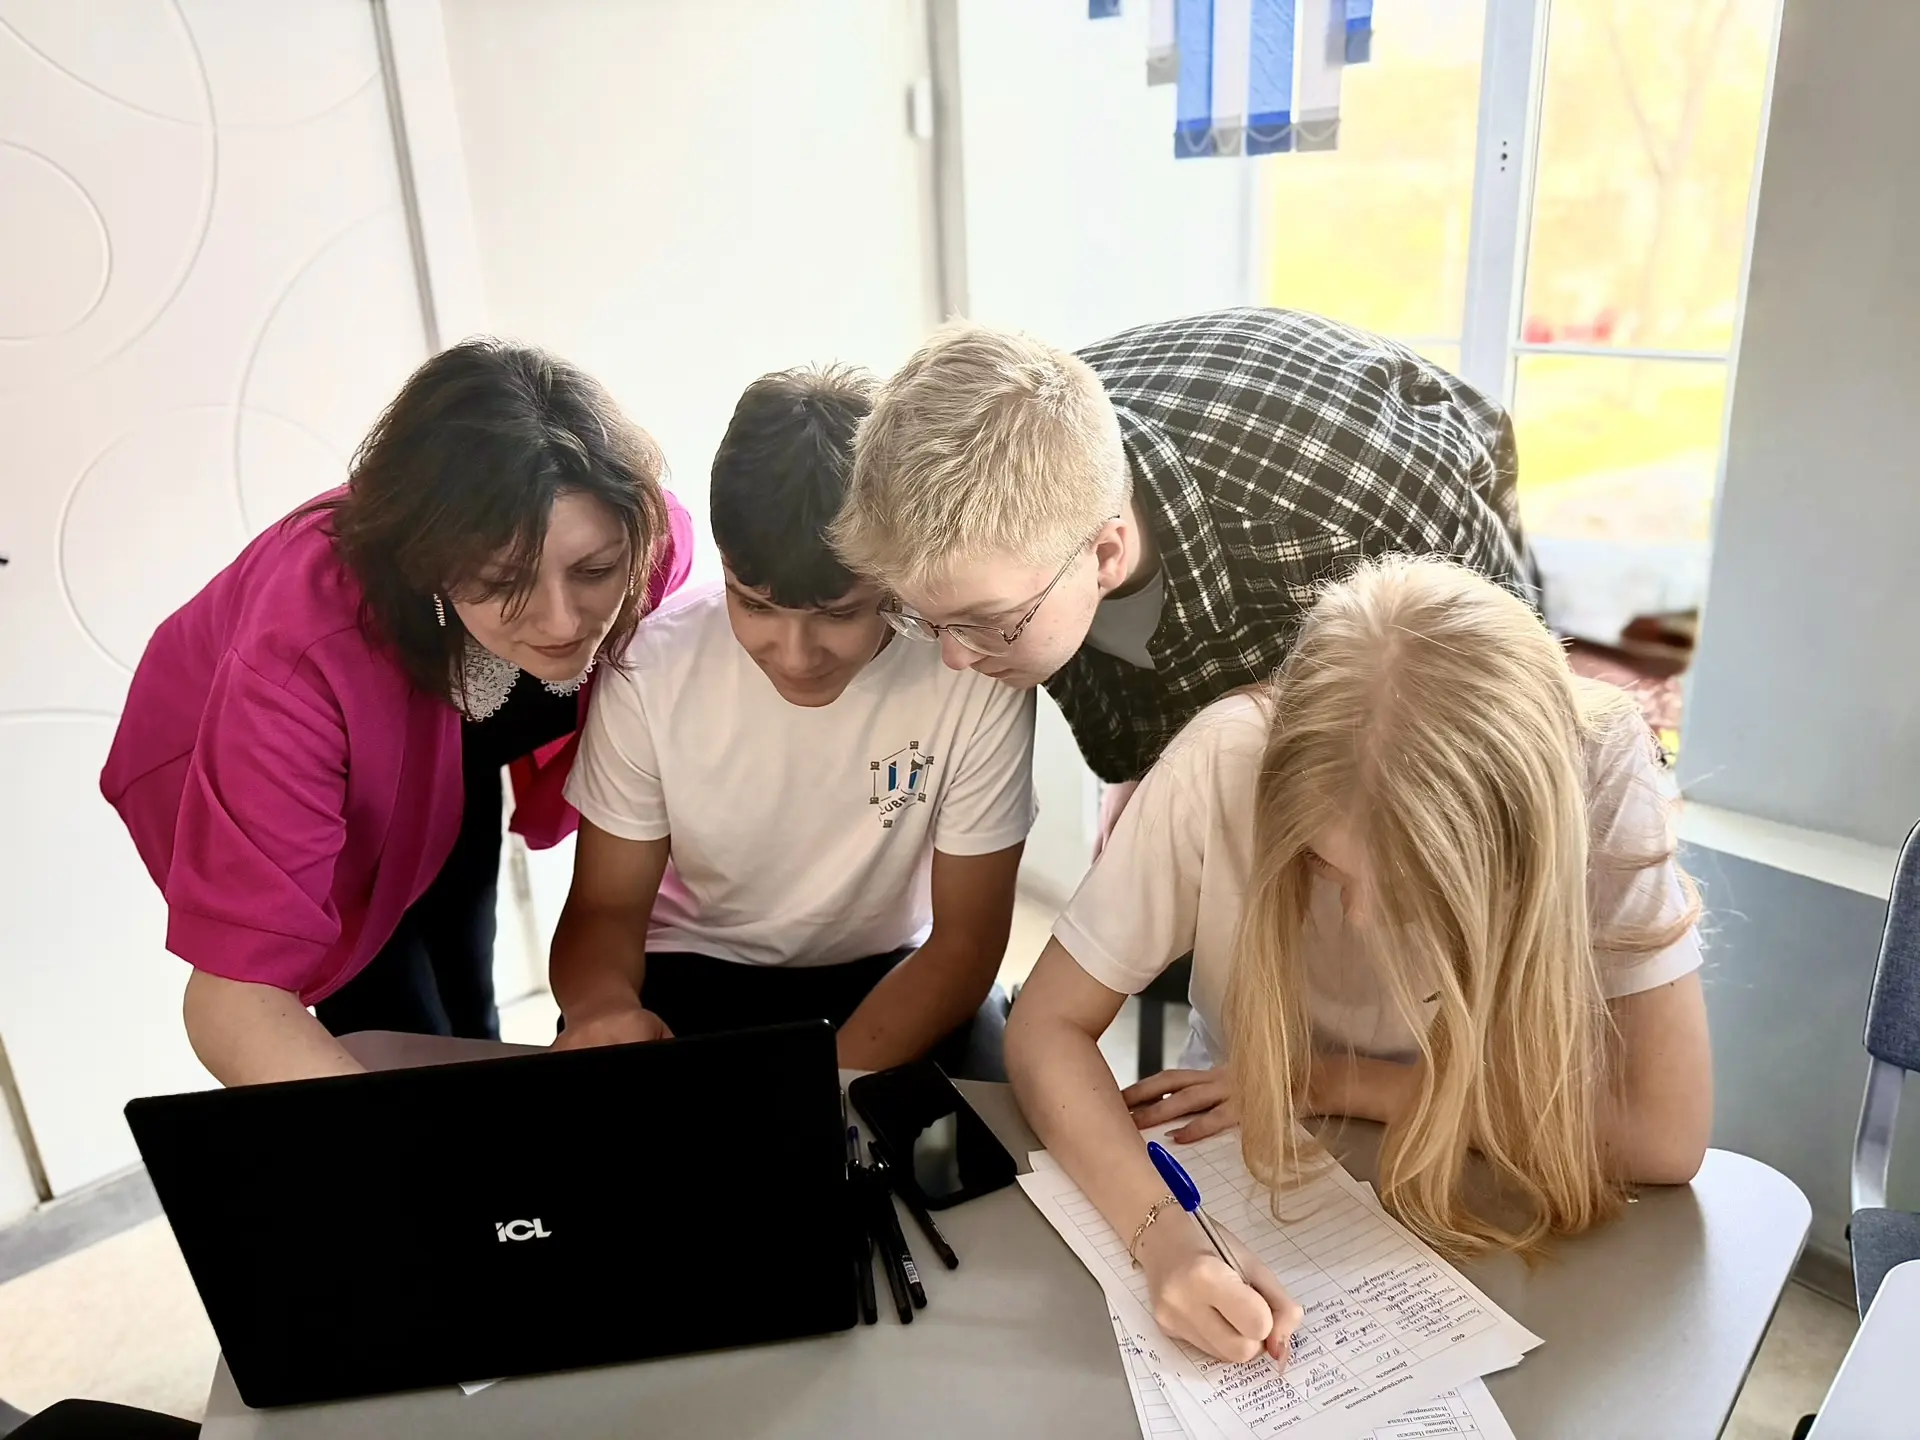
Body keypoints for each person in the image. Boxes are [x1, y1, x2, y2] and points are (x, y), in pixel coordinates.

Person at [1003, 557, 1712, 1366]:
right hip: (1247, 1149)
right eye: (1323, 864)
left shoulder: (1602, 768)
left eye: (1416, 888)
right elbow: (1046, 1027)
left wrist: (1329, 1079)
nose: (1364, 917)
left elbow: (1662, 1136)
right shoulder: (1227, 755)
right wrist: (1163, 1236)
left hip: (1490, 1187)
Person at [100, 340, 693, 1086]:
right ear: (431, 565)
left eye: (594, 571)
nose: (562, 622)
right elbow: (234, 997)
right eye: (500, 580)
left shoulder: (648, 539)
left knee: (466, 972)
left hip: (455, 723)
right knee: (393, 1014)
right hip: (288, 750)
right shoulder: (303, 654)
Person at [831, 308, 1539, 835]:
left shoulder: (1352, 518)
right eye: (926, 620)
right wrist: (1146, 777)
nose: (954, 658)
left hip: (1401, 509)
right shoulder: (1022, 468)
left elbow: (1510, 696)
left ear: (1105, 554)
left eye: (985, 623)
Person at [548, 365, 1035, 1078]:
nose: (796, 654)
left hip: (897, 973)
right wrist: (602, 1010)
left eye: (839, 613)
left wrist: (813, 1089)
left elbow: (967, 942)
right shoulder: (651, 665)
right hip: (693, 963)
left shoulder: (971, 670)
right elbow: (604, 907)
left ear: (897, 573)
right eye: (754, 604)